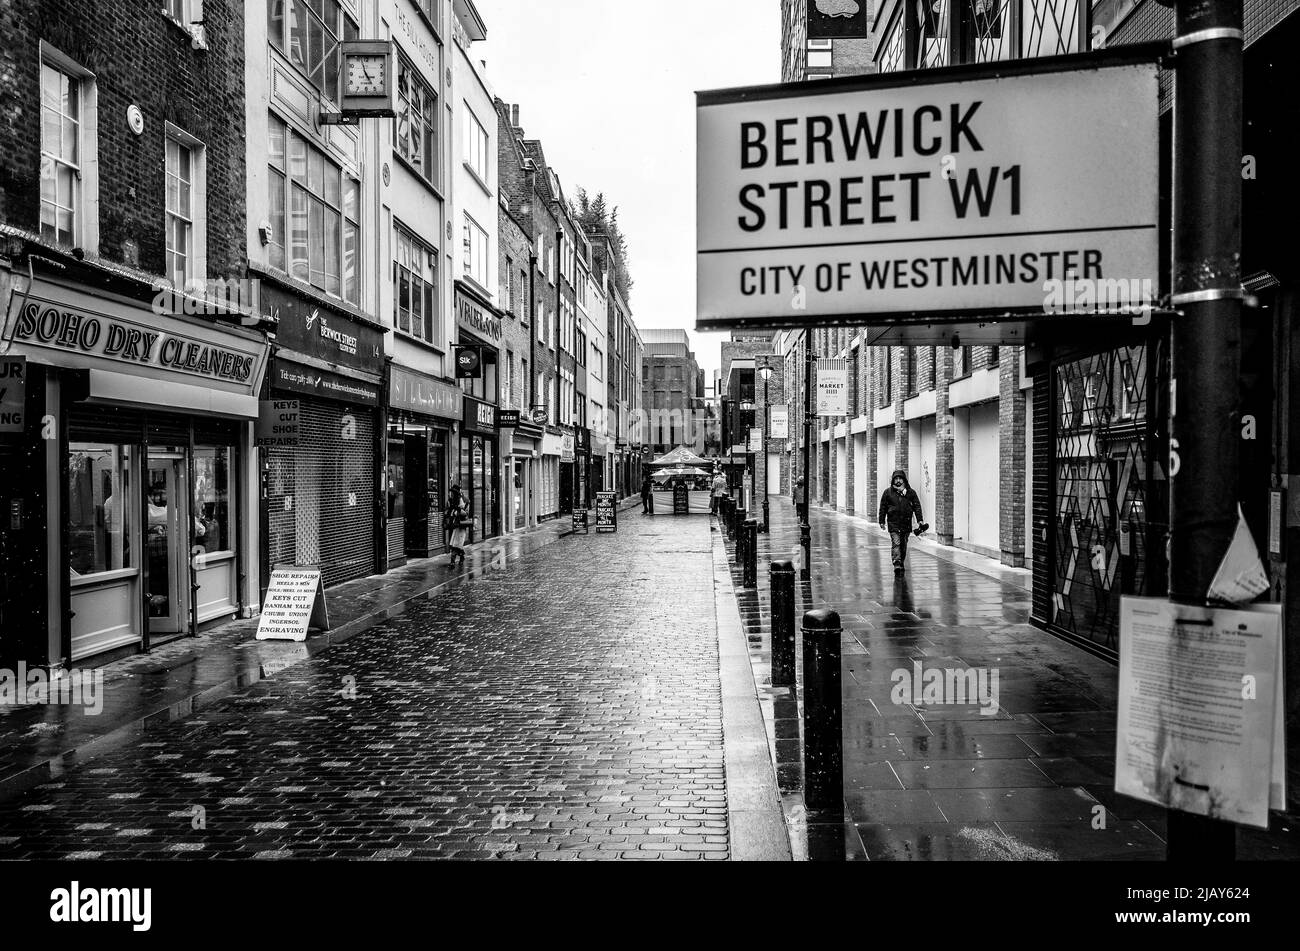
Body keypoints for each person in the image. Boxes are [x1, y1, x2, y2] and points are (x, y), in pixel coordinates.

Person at [879, 469, 924, 573]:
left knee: (903, 545)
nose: (898, 481)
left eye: (900, 479)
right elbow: (883, 507)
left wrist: (920, 520)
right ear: (893, 480)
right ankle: (897, 563)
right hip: (893, 523)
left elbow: (917, 507)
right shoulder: (888, 493)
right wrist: (881, 520)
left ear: (904, 480)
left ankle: (901, 561)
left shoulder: (910, 493)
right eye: (896, 479)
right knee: (896, 542)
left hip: (906, 523)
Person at [447, 483, 470, 568]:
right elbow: (448, 511)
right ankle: (461, 557)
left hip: (461, 525)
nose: (452, 494)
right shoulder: (452, 500)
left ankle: (453, 561)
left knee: (457, 544)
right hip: (453, 525)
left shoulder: (465, 501)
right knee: (454, 544)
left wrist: (458, 510)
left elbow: (466, 513)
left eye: (453, 492)